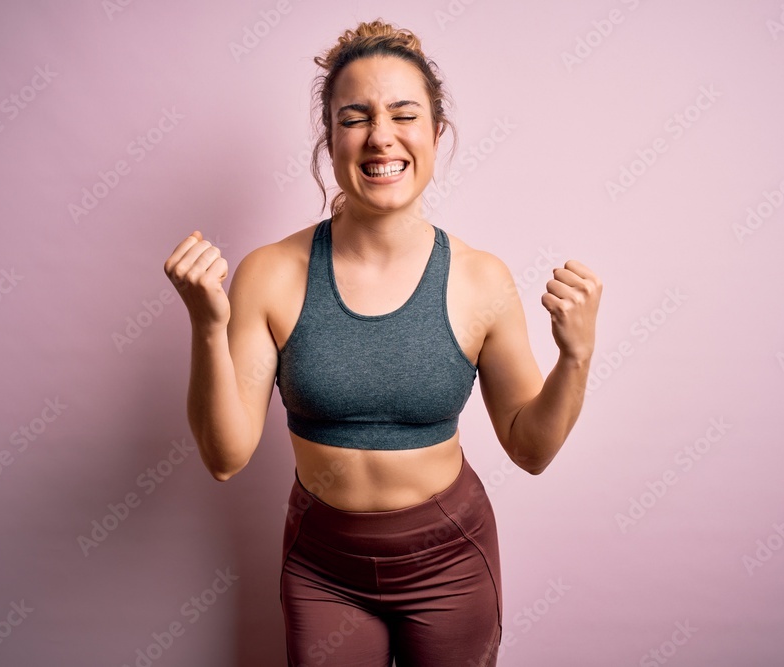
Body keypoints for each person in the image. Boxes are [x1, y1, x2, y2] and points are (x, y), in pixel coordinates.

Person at [163, 17, 601, 667]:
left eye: (403, 114)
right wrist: (205, 324)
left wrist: (577, 355)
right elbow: (226, 456)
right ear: (330, 137)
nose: (381, 137)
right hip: (323, 566)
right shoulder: (270, 275)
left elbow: (530, 448)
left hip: (450, 559)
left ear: (435, 133)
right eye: (355, 117)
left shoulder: (481, 279)